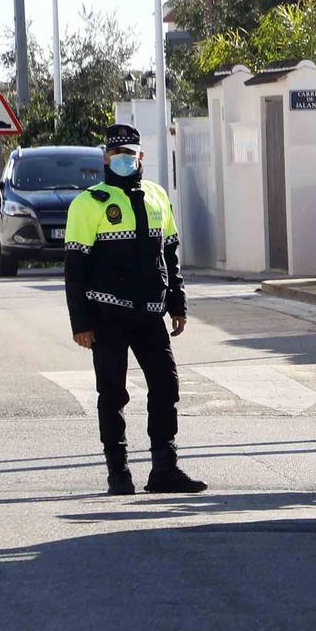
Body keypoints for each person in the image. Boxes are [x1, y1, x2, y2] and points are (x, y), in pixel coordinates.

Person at [63, 124, 205, 496]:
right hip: (106, 315)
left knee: (166, 386)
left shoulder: (157, 195)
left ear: (141, 157)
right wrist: (81, 323)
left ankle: (165, 469)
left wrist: (178, 303)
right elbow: (74, 269)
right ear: (106, 159)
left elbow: (170, 255)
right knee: (112, 394)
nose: (125, 161)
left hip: (150, 314)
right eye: (117, 156)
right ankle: (118, 472)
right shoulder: (88, 203)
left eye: (131, 155)